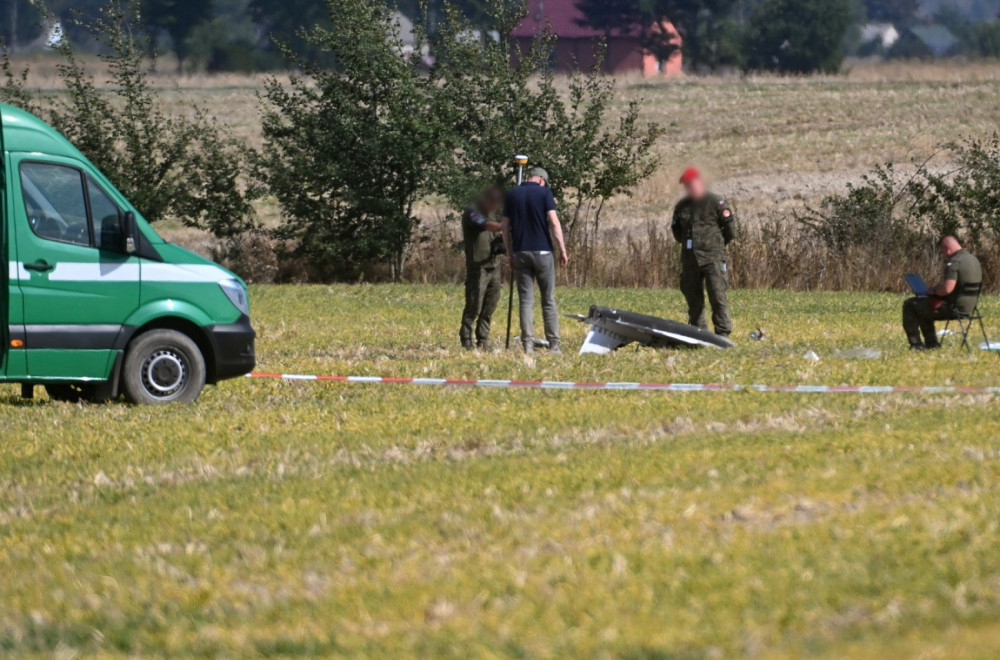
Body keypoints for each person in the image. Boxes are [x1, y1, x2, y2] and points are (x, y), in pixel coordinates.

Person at [501, 167, 569, 355]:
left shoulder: (512, 194)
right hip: (543, 253)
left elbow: (504, 228)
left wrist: (509, 253)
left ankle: (528, 345)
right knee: (548, 300)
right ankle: (554, 344)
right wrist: (563, 249)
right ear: (541, 180)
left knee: (526, 301)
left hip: (520, 252)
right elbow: (554, 223)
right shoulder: (545, 192)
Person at [671, 167, 736, 337]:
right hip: (690, 259)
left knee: (717, 296)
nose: (689, 188)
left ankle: (722, 334)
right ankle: (698, 333)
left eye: (691, 184)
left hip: (712, 258)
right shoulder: (682, 206)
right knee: (693, 299)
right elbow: (677, 231)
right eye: (686, 185)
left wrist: (717, 246)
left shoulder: (716, 202)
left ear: (699, 182)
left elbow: (730, 230)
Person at [903, 236, 982, 350]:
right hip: (969, 308)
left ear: (947, 248)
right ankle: (931, 345)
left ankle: (917, 344)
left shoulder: (954, 262)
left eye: (942, 252)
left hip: (954, 309)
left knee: (910, 304)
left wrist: (933, 291)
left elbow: (947, 289)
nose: (943, 256)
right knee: (923, 307)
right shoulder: (973, 259)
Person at [459, 186, 505, 350]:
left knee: (490, 305)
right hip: (478, 267)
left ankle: (483, 339)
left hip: (493, 265)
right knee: (474, 305)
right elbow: (486, 225)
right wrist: (503, 226)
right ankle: (466, 339)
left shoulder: (491, 213)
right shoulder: (472, 212)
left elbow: (494, 230)